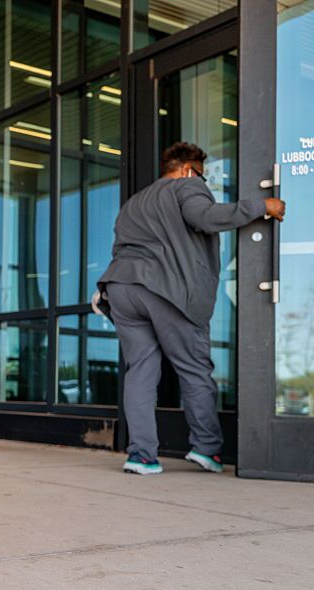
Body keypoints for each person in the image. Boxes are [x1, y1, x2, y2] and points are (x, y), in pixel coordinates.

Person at [96, 142, 286, 475]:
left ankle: (141, 455)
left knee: (140, 371)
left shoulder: (134, 203)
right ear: (187, 169)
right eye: (202, 175)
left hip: (121, 288)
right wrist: (262, 206)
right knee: (194, 368)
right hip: (165, 290)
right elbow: (206, 216)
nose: (204, 183)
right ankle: (206, 448)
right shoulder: (187, 186)